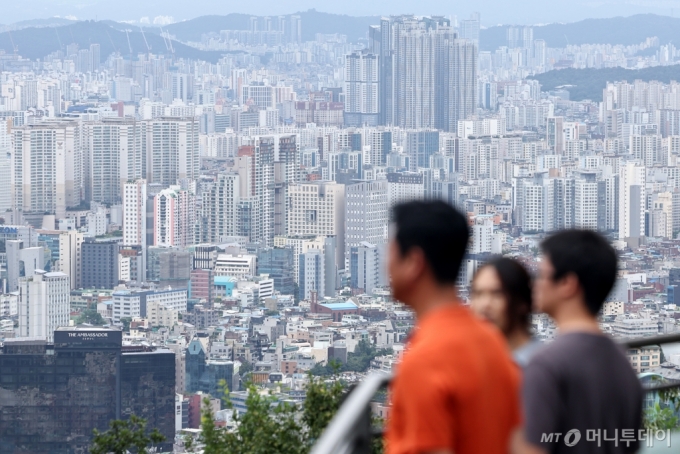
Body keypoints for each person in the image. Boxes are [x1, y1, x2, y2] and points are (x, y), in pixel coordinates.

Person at [386, 200, 521, 454]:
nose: (387, 266)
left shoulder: (426, 359)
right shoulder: (493, 342)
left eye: (391, 254)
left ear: (414, 263)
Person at [515, 230, 643, 454]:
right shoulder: (623, 363)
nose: (536, 284)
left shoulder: (547, 365)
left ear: (567, 283)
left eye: (542, 275)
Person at [470, 257, 542, 367]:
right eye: (478, 294)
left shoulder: (541, 363)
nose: (485, 304)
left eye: (497, 294)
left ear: (522, 302)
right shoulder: (473, 364)